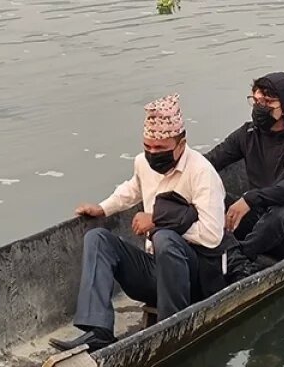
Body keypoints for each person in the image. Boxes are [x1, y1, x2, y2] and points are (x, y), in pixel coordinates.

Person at [48, 95, 227, 354]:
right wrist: (102, 208)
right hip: (156, 272)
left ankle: (169, 328)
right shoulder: (143, 163)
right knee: (97, 238)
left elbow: (211, 236)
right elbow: (132, 189)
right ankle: (98, 331)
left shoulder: (202, 173)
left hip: (194, 279)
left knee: (164, 238)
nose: (153, 154)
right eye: (148, 147)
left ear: (181, 144)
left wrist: (157, 223)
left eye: (161, 148)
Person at [207, 73, 284, 266]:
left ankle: (236, 259)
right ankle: (211, 249)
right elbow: (210, 161)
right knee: (213, 195)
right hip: (258, 217)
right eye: (256, 101)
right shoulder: (247, 134)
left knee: (282, 214)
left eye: (268, 102)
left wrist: (250, 198)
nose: (260, 107)